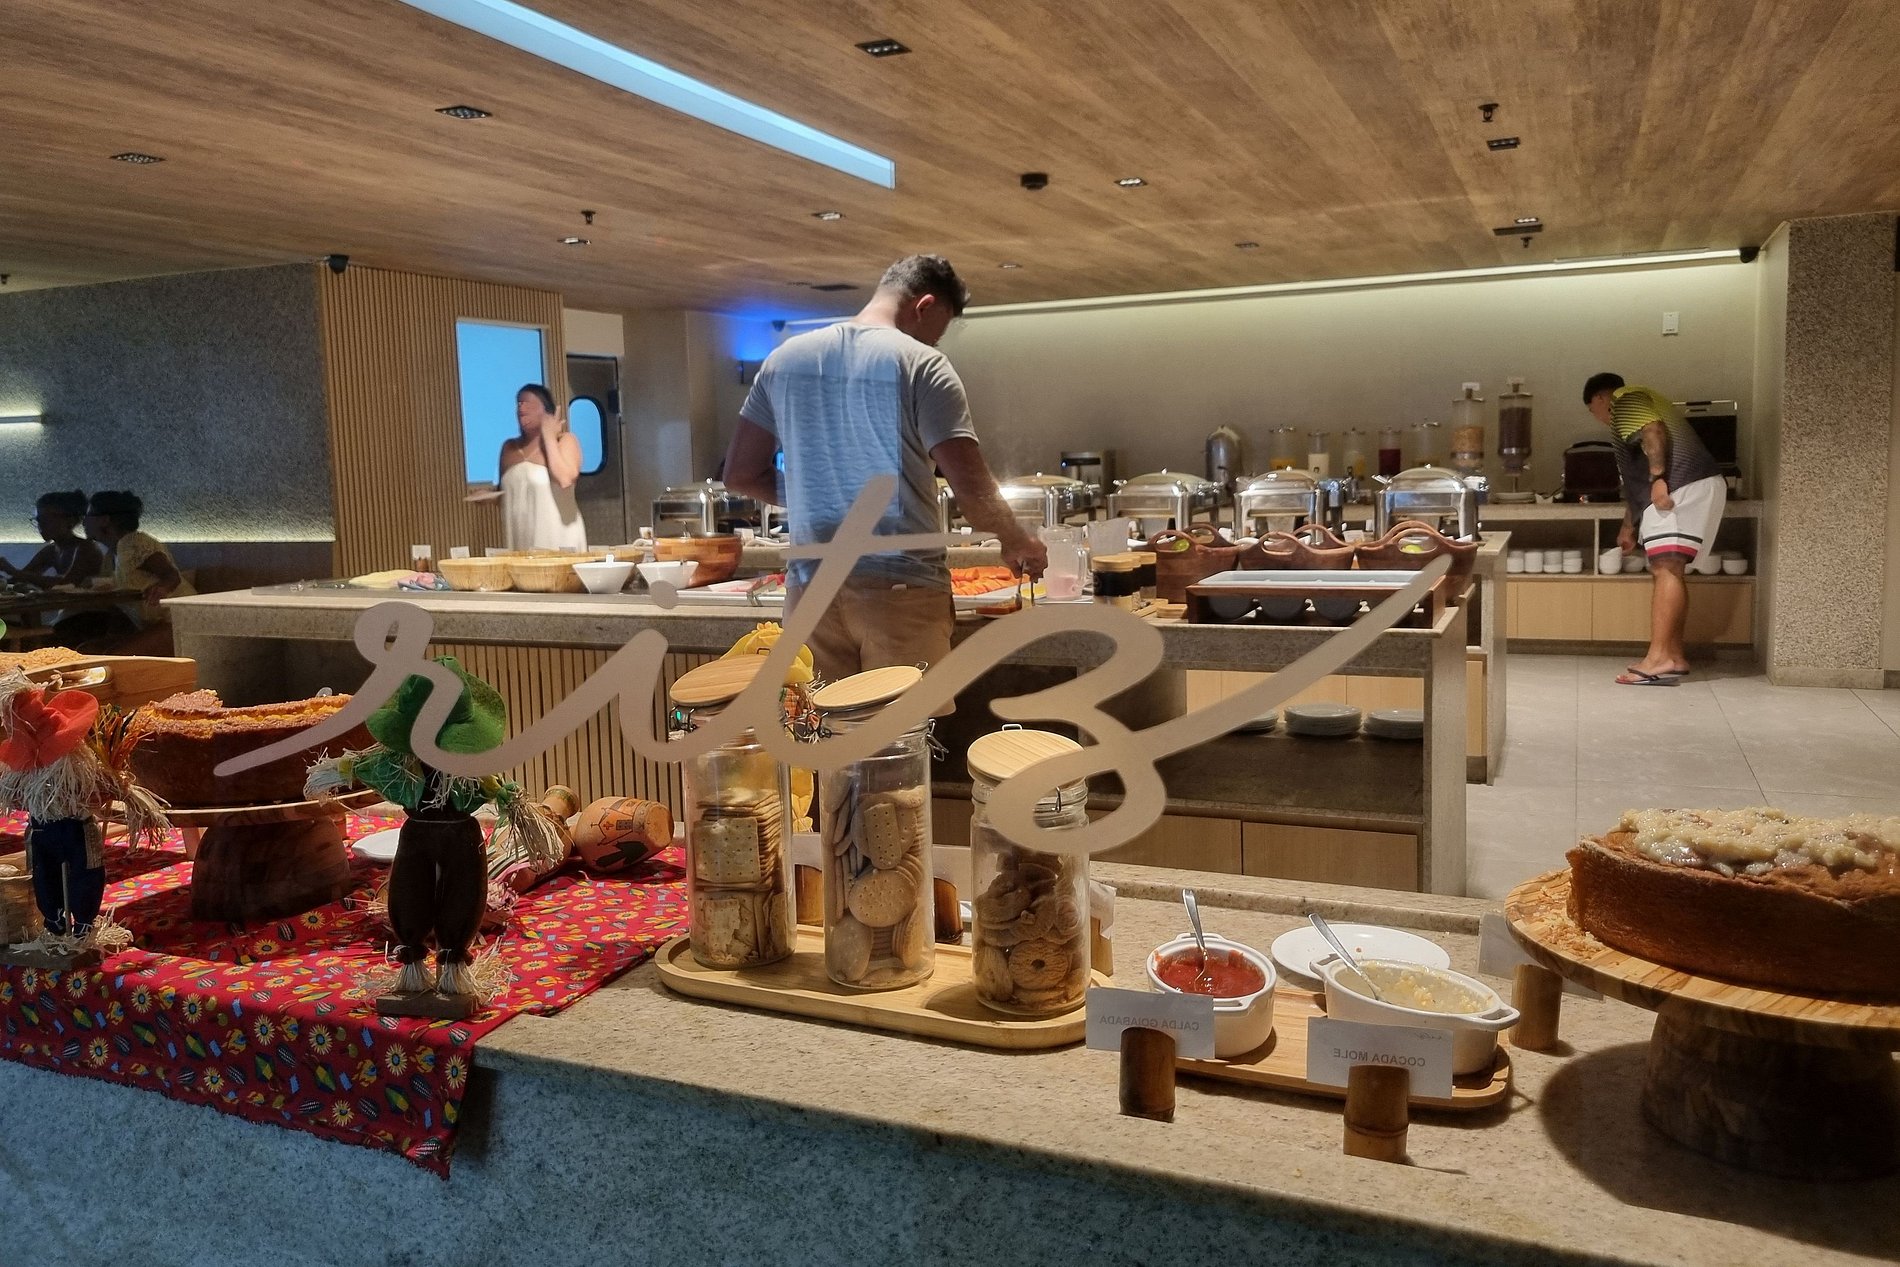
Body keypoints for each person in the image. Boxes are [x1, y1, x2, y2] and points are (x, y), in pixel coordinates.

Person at [721, 254, 1047, 681]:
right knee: (901, 725)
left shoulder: (783, 360)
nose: (934, 344)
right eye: (936, 334)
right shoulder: (921, 364)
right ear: (924, 306)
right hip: (900, 591)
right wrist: (1017, 541)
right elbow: (972, 488)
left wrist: (818, 495)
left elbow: (740, 475)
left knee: (819, 721)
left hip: (809, 591)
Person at [1583, 373, 1726, 685]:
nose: (1598, 418)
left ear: (1600, 398)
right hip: (1693, 485)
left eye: (1593, 410)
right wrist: (1629, 526)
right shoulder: (1642, 402)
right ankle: (1673, 655)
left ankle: (1658, 658)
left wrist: (1660, 478)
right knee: (1671, 570)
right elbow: (1637, 481)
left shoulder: (1625, 399)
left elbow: (1653, 429)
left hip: (1680, 485)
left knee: (1666, 569)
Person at [56, 490, 195, 654]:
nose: (84, 522)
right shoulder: (111, 555)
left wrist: (162, 588)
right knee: (88, 651)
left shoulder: (135, 542)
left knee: (114, 658)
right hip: (154, 624)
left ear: (105, 520)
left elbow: (171, 575)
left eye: (88, 515)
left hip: (180, 621)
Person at [497, 383, 587, 551]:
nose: (521, 407)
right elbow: (508, 493)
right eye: (519, 403)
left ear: (547, 411)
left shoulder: (565, 441)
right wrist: (488, 496)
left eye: (528, 403)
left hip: (559, 536)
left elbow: (565, 479)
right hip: (522, 537)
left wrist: (549, 437)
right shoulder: (509, 448)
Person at [0, 490, 104, 589]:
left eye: (46, 519)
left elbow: (67, 584)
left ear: (70, 521)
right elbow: (17, 579)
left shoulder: (86, 548)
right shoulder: (51, 550)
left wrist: (12, 571)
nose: (41, 525)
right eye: (38, 520)